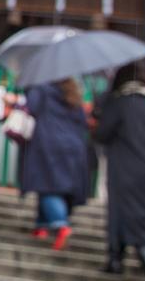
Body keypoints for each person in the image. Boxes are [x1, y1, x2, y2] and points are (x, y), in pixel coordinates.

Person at [93, 64, 145, 281]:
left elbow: (102, 135)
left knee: (125, 214)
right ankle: (122, 260)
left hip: (129, 169)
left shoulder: (120, 105)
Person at [17, 79, 93, 250]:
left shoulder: (40, 88)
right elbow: (83, 120)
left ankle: (60, 224)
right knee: (60, 185)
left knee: (47, 185)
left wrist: (15, 100)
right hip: (74, 145)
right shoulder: (74, 94)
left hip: (47, 142)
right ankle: (41, 225)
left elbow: (31, 109)